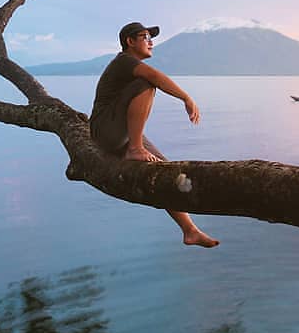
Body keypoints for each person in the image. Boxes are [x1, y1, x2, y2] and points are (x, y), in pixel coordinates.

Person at [90, 21, 219, 248]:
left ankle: (189, 230)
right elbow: (155, 77)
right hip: (105, 132)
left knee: (165, 170)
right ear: (130, 42)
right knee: (147, 84)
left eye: (152, 38)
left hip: (117, 133)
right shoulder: (124, 61)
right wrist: (186, 98)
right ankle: (135, 149)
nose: (150, 42)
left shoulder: (129, 64)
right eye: (145, 37)